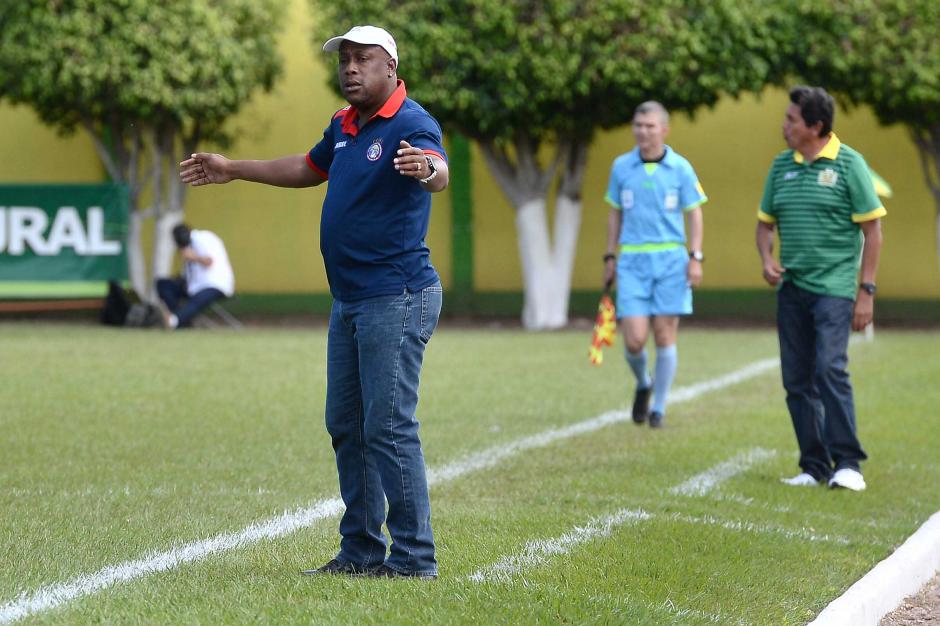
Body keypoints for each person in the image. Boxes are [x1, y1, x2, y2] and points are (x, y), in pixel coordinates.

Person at [179, 25, 448, 579]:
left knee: (389, 427)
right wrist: (233, 169)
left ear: (391, 69)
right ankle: (361, 552)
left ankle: (414, 559)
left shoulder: (412, 122)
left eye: (363, 60)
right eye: (344, 60)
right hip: (351, 299)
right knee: (346, 425)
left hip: (395, 296)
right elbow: (308, 167)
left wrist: (426, 170)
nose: (350, 69)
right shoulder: (343, 124)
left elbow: (437, 170)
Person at [756, 86, 884, 492]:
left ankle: (848, 464)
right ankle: (813, 465)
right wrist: (766, 258)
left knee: (830, 368)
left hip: (834, 289)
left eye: (792, 120)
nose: (784, 125)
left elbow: (873, 230)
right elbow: (764, 225)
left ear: (816, 126)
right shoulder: (781, 166)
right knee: (796, 379)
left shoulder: (849, 164)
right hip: (791, 289)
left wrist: (866, 291)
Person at [602, 101, 706, 429]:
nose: (643, 131)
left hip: (672, 261)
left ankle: (658, 408)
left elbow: (695, 212)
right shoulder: (621, 167)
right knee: (633, 339)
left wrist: (695, 257)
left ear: (664, 129)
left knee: (664, 335)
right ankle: (644, 384)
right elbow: (615, 212)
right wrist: (609, 256)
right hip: (632, 260)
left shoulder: (681, 168)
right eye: (638, 125)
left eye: (649, 126)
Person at [155, 223, 234, 329]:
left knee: (196, 301)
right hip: (194, 285)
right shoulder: (187, 246)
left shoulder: (203, 238)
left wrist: (194, 257)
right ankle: (182, 320)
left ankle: (174, 321)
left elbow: (209, 261)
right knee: (163, 284)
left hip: (215, 284)